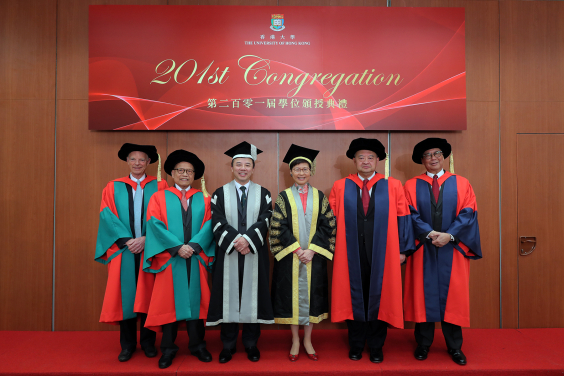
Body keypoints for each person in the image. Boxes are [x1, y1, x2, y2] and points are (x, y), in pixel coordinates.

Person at [329, 138, 414, 363]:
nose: (365, 161)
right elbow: (330, 221)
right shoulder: (341, 186)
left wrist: (403, 250)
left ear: (378, 160)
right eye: (361, 157)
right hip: (349, 253)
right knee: (352, 296)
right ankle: (356, 344)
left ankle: (376, 345)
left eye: (370, 157)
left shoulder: (393, 185)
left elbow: (403, 218)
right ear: (354, 160)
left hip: (383, 253)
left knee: (381, 297)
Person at [403, 138, 482, 366]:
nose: (433, 158)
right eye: (427, 155)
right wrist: (429, 234)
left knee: (453, 297)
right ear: (422, 160)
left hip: (453, 247)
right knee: (422, 294)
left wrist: (449, 235)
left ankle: (455, 346)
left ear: (444, 156)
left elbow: (468, 213)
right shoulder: (410, 185)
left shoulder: (462, 183)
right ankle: (423, 343)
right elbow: (409, 214)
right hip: (422, 248)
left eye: (437, 153)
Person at [141, 150, 215, 369]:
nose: (185, 174)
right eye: (180, 170)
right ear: (172, 173)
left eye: (189, 171)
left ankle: (198, 345)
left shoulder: (204, 198)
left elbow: (210, 224)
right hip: (169, 259)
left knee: (196, 302)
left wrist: (192, 247)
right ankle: (168, 349)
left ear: (195, 175)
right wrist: (177, 247)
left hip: (195, 257)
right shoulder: (159, 197)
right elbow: (154, 224)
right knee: (168, 303)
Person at [94, 143, 167, 362]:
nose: (137, 163)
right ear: (127, 161)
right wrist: (128, 241)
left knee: (148, 295)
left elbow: (165, 216)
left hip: (150, 249)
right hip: (123, 250)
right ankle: (127, 345)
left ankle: (147, 342)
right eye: (133, 159)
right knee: (126, 297)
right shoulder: (113, 186)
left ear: (149, 163)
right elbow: (107, 216)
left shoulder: (160, 185)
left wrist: (146, 239)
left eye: (142, 160)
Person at [206, 141, 274, 363]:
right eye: (238, 164)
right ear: (232, 167)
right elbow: (216, 221)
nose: (243, 168)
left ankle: (251, 344)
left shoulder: (263, 193)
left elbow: (266, 219)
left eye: (247, 164)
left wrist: (248, 240)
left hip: (254, 253)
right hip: (229, 253)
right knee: (228, 295)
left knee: (252, 295)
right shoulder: (219, 193)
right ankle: (227, 345)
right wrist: (237, 240)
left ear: (253, 168)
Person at [269, 144, 336, 362]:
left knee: (312, 299)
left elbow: (329, 226)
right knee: (291, 299)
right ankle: (295, 341)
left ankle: (308, 339)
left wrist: (312, 251)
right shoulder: (283, 197)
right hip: (290, 257)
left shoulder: (320, 197)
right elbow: (278, 226)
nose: (301, 173)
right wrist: (298, 250)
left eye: (305, 169)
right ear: (290, 172)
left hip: (313, 258)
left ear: (311, 171)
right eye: (296, 169)